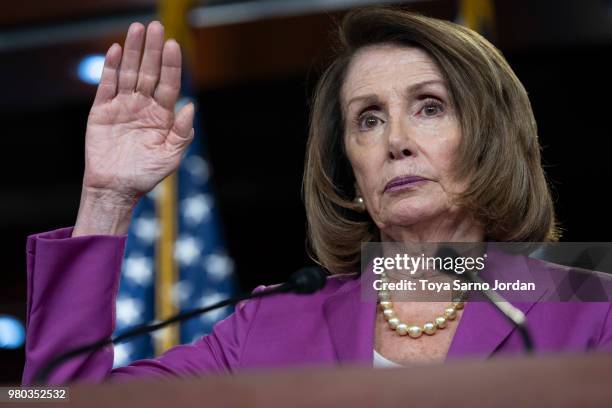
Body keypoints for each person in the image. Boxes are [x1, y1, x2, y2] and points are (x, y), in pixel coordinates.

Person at [22, 6, 612, 385]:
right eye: (369, 120)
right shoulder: (272, 324)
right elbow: (56, 401)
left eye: (430, 107)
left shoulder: (589, 306)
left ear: (491, 140)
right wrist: (106, 198)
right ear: (351, 170)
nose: (397, 141)